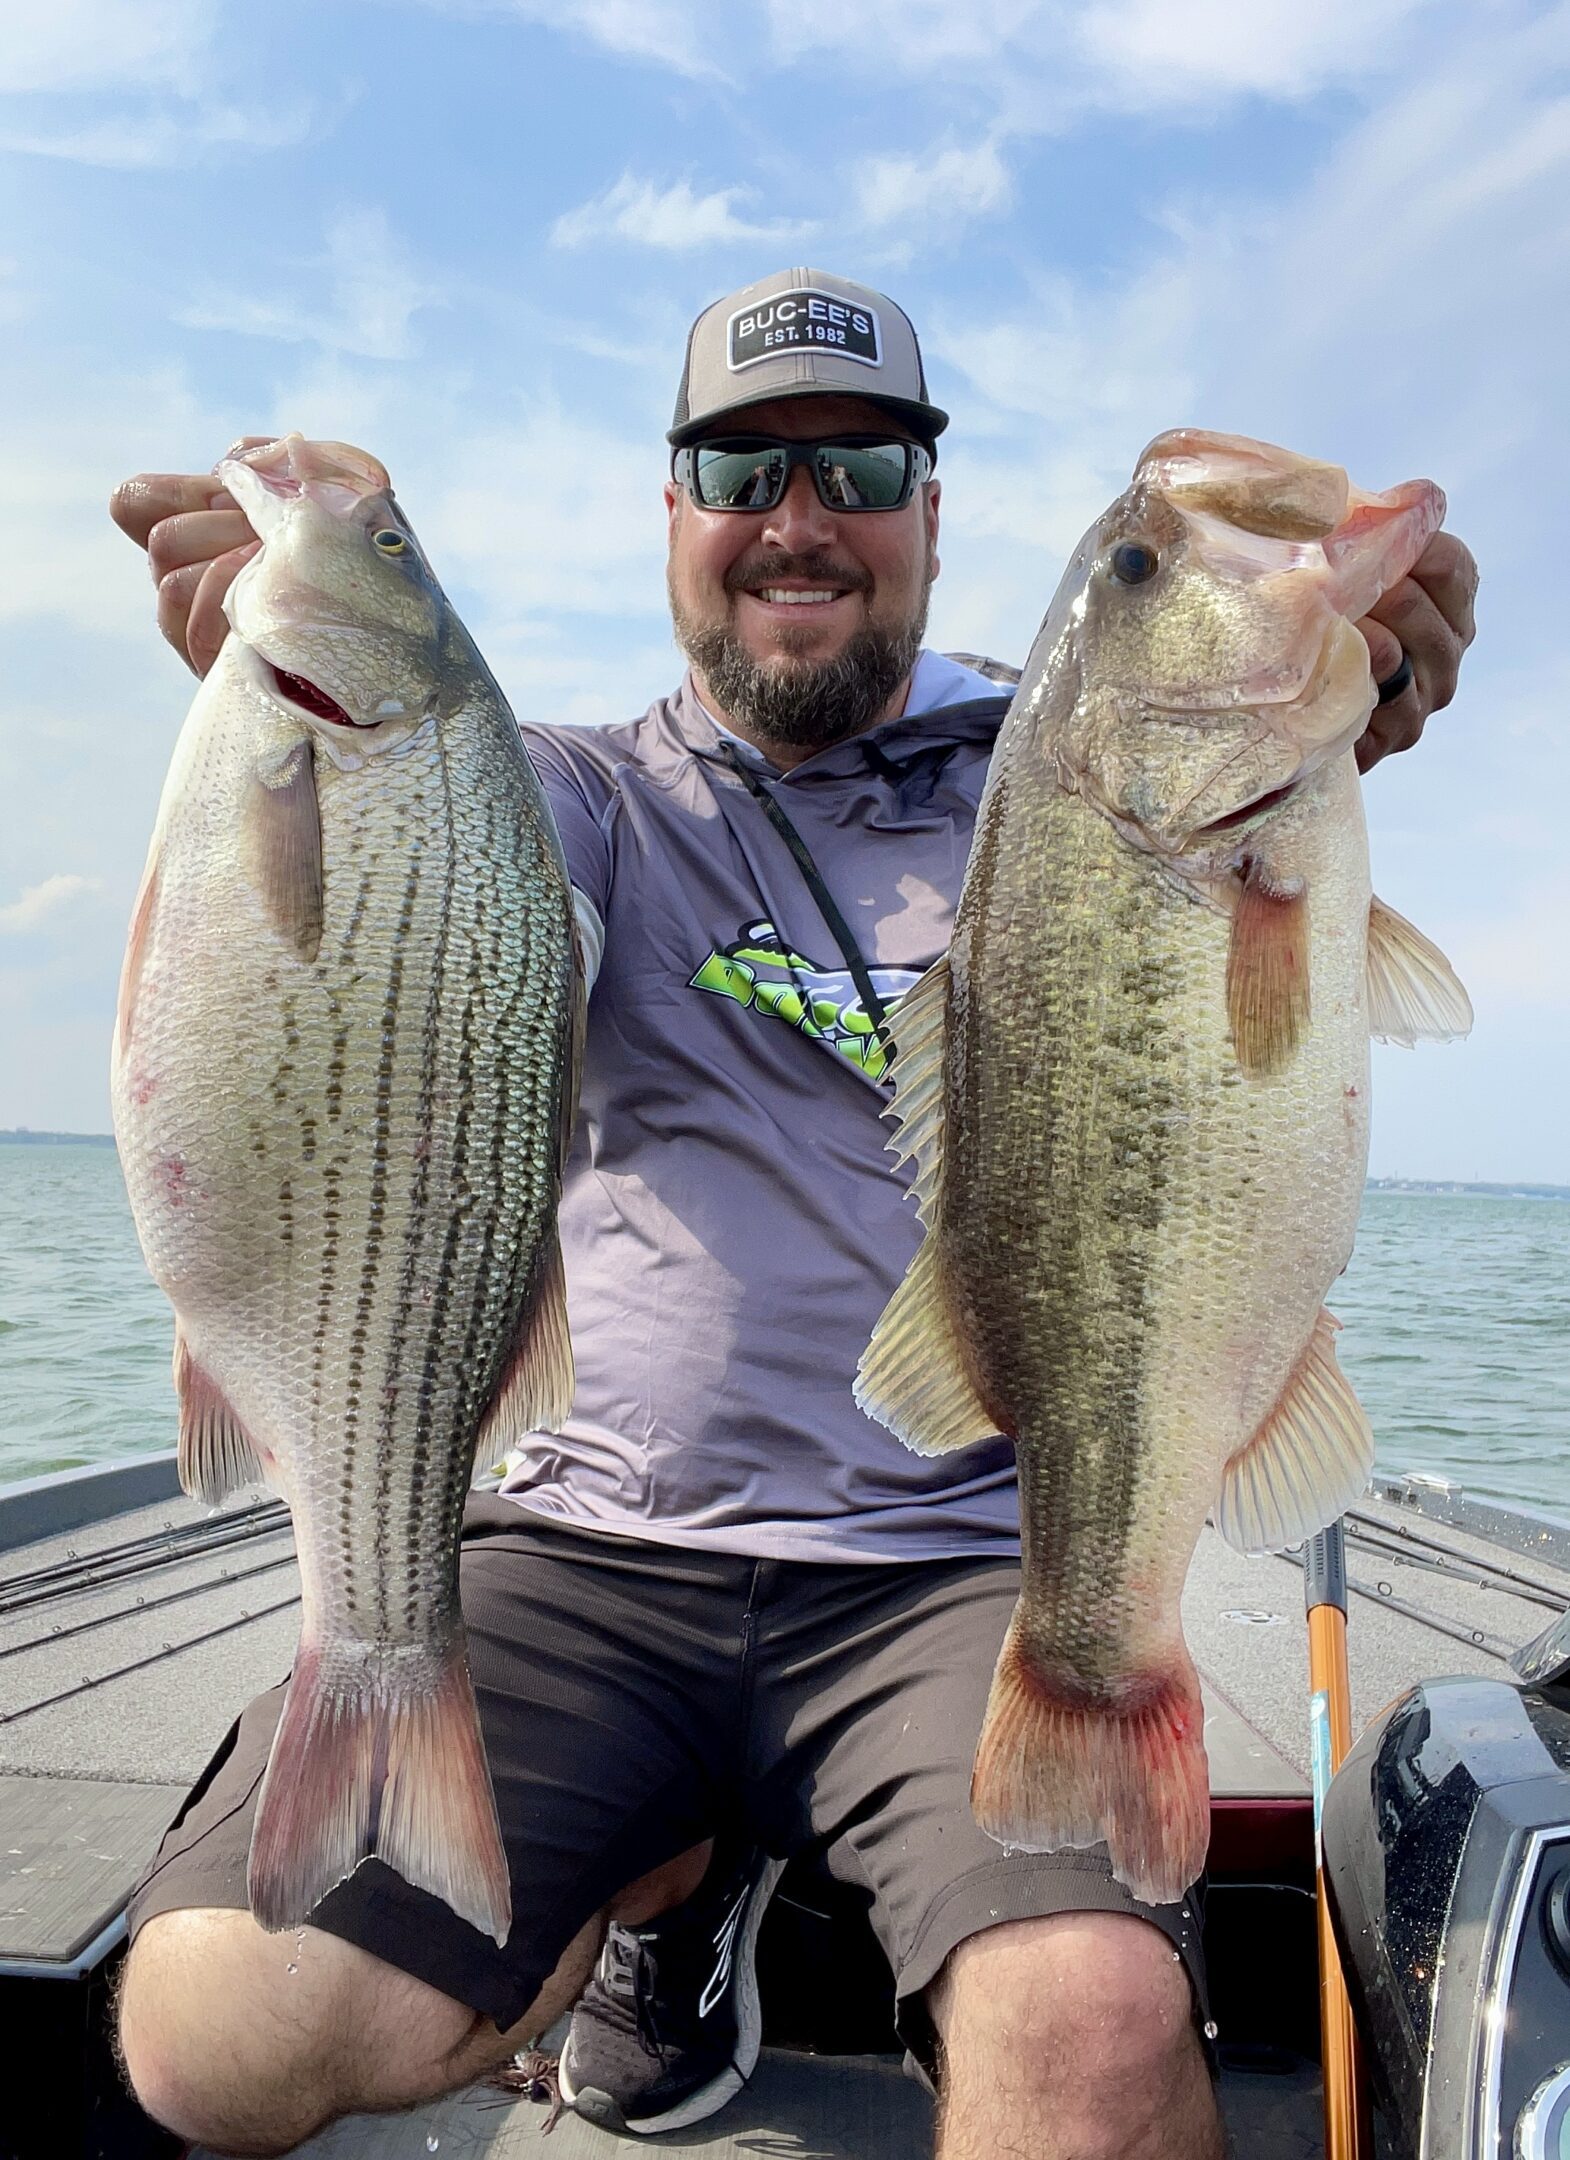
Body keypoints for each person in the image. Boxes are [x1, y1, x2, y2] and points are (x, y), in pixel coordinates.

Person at [109, 267, 1478, 2160]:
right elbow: (402, 858)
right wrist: (305, 665)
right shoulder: (568, 797)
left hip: (953, 1561)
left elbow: (1227, 796)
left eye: (854, 463)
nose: (796, 518)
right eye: (738, 471)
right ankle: (658, 1896)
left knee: (1089, 2042)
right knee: (218, 2036)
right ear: (669, 517)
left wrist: (1365, 681)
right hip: (586, 1546)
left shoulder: (1054, 781)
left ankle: (699, 1883)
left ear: (929, 512)